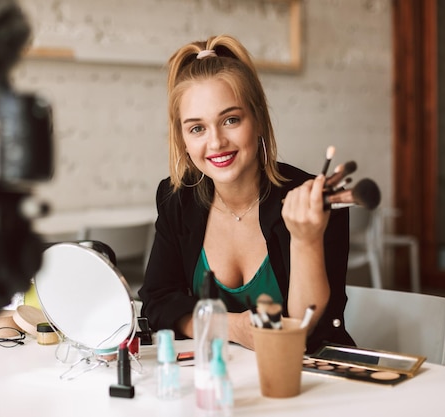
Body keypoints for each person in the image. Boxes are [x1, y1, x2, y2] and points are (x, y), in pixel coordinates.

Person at [138, 34, 354, 352]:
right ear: (182, 138)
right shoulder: (176, 200)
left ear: (259, 121)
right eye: (197, 128)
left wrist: (306, 240)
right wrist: (232, 327)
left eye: (231, 120)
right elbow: (156, 304)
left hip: (308, 380)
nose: (216, 142)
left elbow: (307, 332)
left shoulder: (313, 200)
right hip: (221, 383)